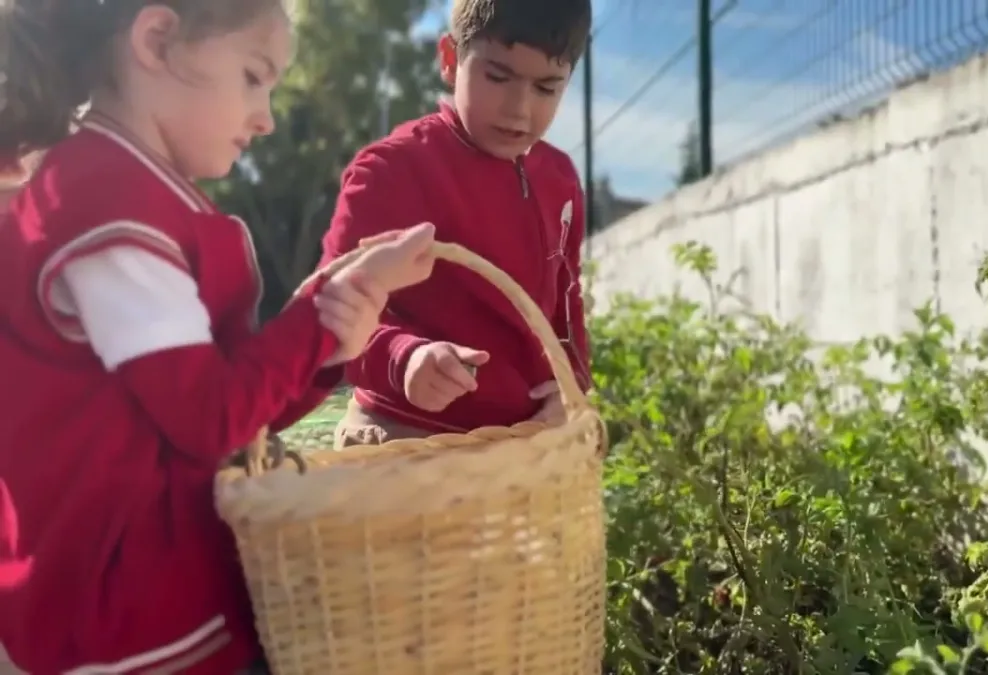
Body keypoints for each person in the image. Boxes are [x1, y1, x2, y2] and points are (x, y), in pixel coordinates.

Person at [0, 1, 437, 673]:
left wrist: (325, 338)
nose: (265, 116)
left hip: (163, 606)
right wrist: (317, 318)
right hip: (137, 624)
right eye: (254, 76)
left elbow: (227, 415)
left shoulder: (128, 190)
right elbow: (211, 418)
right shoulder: (107, 201)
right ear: (157, 39)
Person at [323, 0, 594, 447]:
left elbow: (567, 298)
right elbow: (328, 313)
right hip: (405, 443)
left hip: (525, 447)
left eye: (546, 88)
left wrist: (572, 388)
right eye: (498, 77)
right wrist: (405, 359)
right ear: (450, 59)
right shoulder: (393, 171)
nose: (518, 109)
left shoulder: (560, 179)